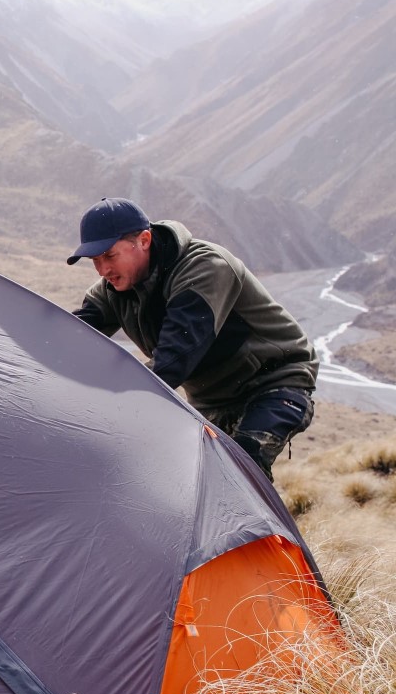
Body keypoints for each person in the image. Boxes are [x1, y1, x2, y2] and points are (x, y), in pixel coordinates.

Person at [67, 197, 317, 481]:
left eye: (110, 256)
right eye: (95, 261)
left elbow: (173, 360)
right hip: (210, 402)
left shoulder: (205, 268)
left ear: (145, 240)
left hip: (274, 384)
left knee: (242, 471)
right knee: (192, 483)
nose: (102, 270)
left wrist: (107, 406)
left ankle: (273, 527)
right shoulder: (112, 288)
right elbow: (70, 338)